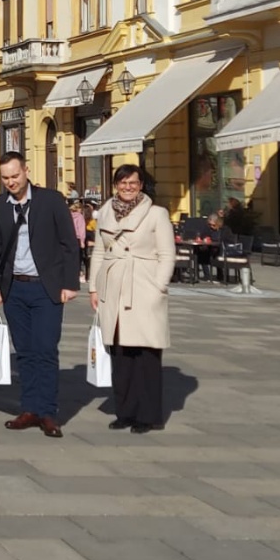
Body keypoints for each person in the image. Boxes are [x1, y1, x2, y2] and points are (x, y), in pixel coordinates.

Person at [0, 151, 80, 438]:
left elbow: (68, 243)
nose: (11, 182)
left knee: (45, 350)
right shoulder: (0, 205)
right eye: (5, 178)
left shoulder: (50, 200)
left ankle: (48, 412)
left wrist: (70, 283)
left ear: (26, 171)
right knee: (24, 352)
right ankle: (29, 408)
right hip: (14, 288)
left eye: (15, 176)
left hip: (45, 287)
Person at [88, 164, 176, 434]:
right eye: (123, 183)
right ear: (116, 185)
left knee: (146, 354)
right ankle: (124, 411)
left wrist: (158, 286)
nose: (128, 187)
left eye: (133, 183)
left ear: (141, 185)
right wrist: (94, 286)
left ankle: (148, 415)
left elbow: (167, 254)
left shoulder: (156, 214)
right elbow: (99, 253)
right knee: (120, 354)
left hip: (143, 286)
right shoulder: (105, 213)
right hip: (113, 287)